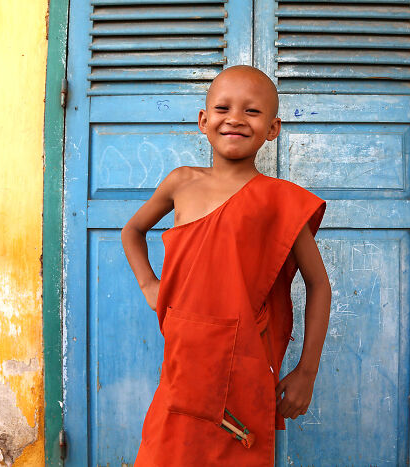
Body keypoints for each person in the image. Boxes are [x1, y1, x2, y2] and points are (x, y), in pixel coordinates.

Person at [121, 65, 331, 466]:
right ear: (204, 120)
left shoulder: (281, 200)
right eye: (223, 107)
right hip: (184, 357)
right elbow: (133, 231)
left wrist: (307, 371)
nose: (235, 118)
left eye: (252, 112)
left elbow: (319, 285)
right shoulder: (181, 182)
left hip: (245, 358)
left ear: (273, 129)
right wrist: (152, 287)